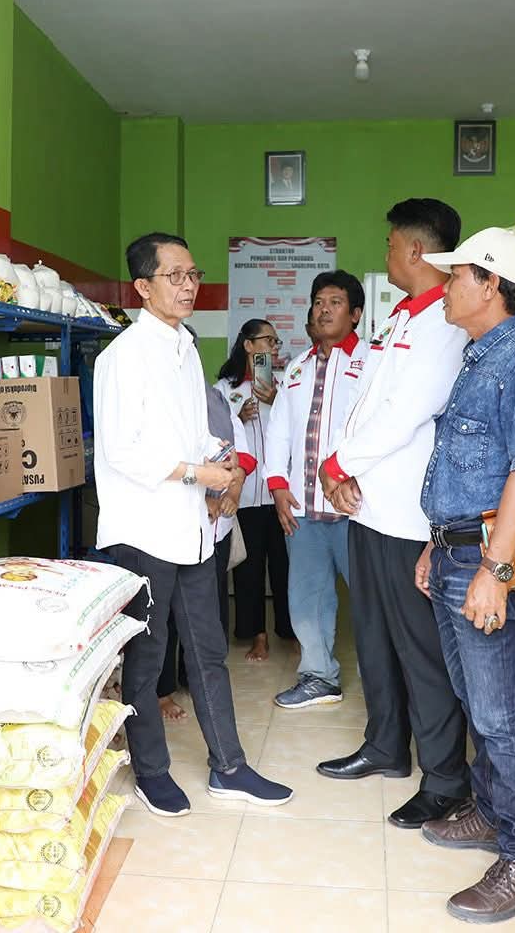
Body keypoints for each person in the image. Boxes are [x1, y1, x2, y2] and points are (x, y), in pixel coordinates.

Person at [94, 232, 293, 816]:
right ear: (142, 286)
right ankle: (152, 772)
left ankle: (229, 766)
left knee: (208, 650)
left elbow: (191, 431)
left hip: (193, 531)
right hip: (144, 531)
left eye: (192, 274)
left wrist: (219, 456)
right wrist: (195, 472)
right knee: (148, 656)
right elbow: (120, 451)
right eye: (174, 276)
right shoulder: (123, 357)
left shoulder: (185, 346)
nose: (188, 286)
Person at [414, 227, 515, 923]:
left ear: (490, 284)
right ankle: (492, 811)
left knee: (503, 719)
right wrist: (437, 545)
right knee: (479, 703)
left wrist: (496, 570)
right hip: (456, 552)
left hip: (489, 560)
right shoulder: (479, 359)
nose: (444, 288)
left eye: (454, 277)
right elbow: (465, 469)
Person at [314, 199, 471, 829]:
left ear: (415, 250)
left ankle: (445, 779)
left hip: (408, 518)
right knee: (374, 639)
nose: (385, 254)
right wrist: (341, 469)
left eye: (389, 244)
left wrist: (338, 463)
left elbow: (406, 413)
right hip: (369, 509)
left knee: (421, 652)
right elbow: (366, 407)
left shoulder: (444, 324)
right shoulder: (401, 316)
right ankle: (384, 747)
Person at [261, 270, 367, 709]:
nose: (324, 310)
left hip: (357, 511)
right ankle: (320, 677)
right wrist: (277, 485)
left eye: (335, 302)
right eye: (318, 302)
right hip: (303, 508)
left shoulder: (372, 363)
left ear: (355, 314)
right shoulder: (298, 368)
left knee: (373, 601)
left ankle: (388, 683)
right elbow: (279, 430)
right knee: (307, 597)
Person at [159, 329, 255, 721]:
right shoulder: (161, 401)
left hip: (216, 529)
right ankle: (163, 689)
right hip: (174, 525)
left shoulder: (214, 399)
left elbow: (239, 455)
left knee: (207, 611)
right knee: (166, 614)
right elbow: (160, 466)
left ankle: (192, 677)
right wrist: (207, 496)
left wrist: (233, 490)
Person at [213, 319, 292, 662]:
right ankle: (257, 635)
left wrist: (277, 400)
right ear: (248, 345)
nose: (273, 348)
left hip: (280, 493)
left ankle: (290, 630)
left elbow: (299, 428)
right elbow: (214, 439)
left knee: (285, 566)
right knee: (250, 570)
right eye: (268, 341)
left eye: (276, 343)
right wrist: (239, 418)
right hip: (242, 496)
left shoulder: (285, 384)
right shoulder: (223, 389)